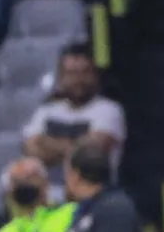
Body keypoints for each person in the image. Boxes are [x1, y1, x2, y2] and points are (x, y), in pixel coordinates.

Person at [23, 44, 126, 203]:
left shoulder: (109, 110)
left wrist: (46, 143)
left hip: (95, 200)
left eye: (84, 72)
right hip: (50, 202)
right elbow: (30, 149)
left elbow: (90, 153)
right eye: (71, 74)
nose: (78, 80)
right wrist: (74, 146)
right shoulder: (45, 111)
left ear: (95, 75)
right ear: (60, 77)